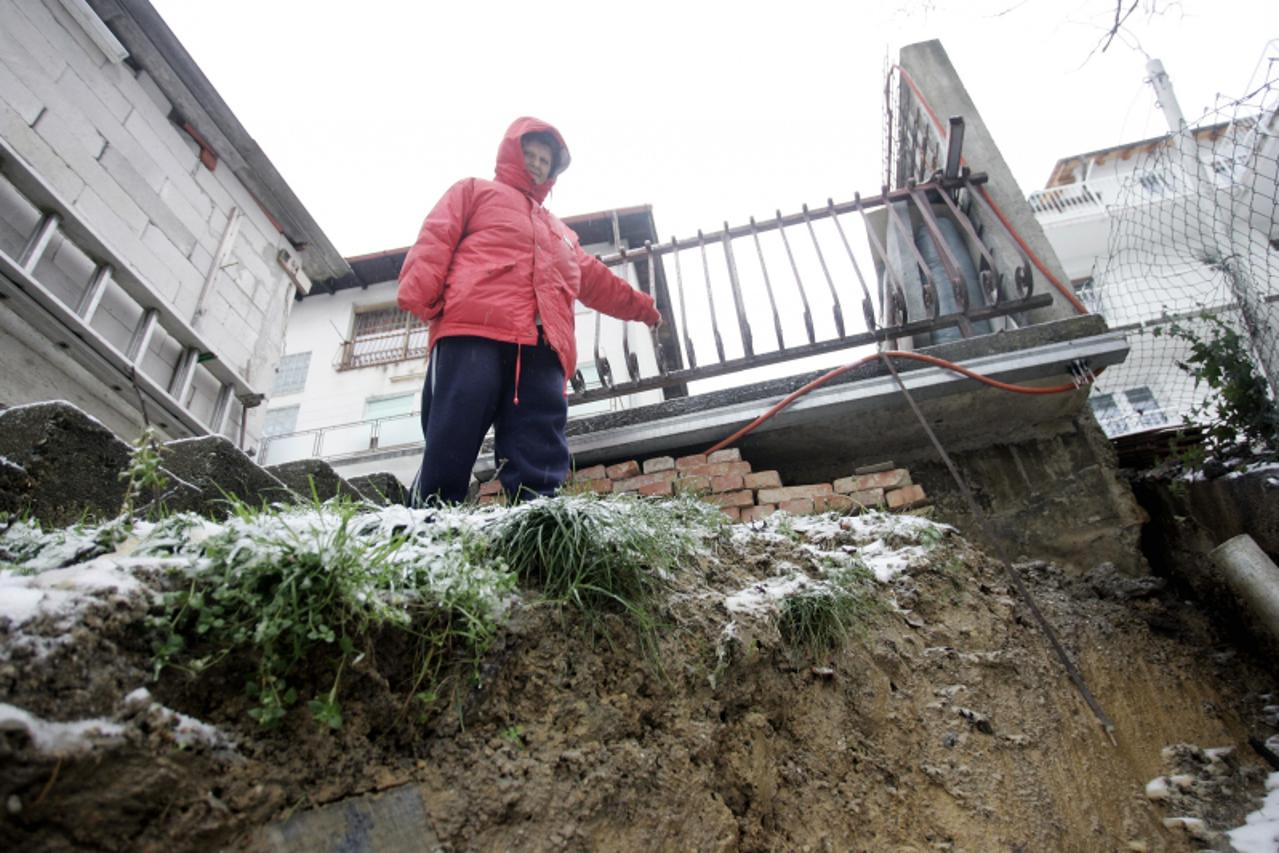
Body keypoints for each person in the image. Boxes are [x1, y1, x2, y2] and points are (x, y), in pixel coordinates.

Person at [397, 117, 662, 504]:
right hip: (473, 328)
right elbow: (436, 238)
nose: (537, 163)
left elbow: (597, 281)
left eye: (545, 159)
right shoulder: (473, 191)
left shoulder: (562, 234)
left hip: (542, 344)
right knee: (455, 423)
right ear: (510, 154)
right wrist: (423, 298)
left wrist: (644, 309)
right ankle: (430, 511)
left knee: (538, 430)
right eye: (530, 154)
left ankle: (539, 513)